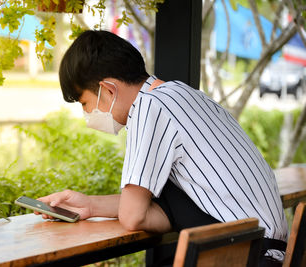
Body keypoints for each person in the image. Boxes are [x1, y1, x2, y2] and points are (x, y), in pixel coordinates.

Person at [35, 30, 288, 266]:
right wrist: (88, 205)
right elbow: (165, 210)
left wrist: (125, 209)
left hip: (246, 254)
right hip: (263, 250)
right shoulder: (184, 94)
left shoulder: (149, 107)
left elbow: (133, 216)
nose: (87, 114)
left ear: (108, 89)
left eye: (85, 103)